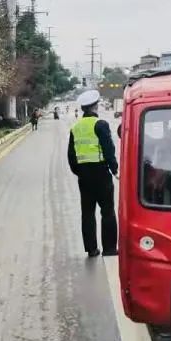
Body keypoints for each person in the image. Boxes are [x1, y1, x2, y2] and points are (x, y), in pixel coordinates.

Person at [68, 89, 119, 257]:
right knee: (107, 211)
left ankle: (91, 249)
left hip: (84, 175)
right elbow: (109, 149)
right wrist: (114, 169)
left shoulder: (75, 128)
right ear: (96, 106)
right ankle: (110, 249)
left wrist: (80, 172)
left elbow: (71, 156)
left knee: (88, 213)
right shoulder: (101, 125)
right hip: (101, 173)